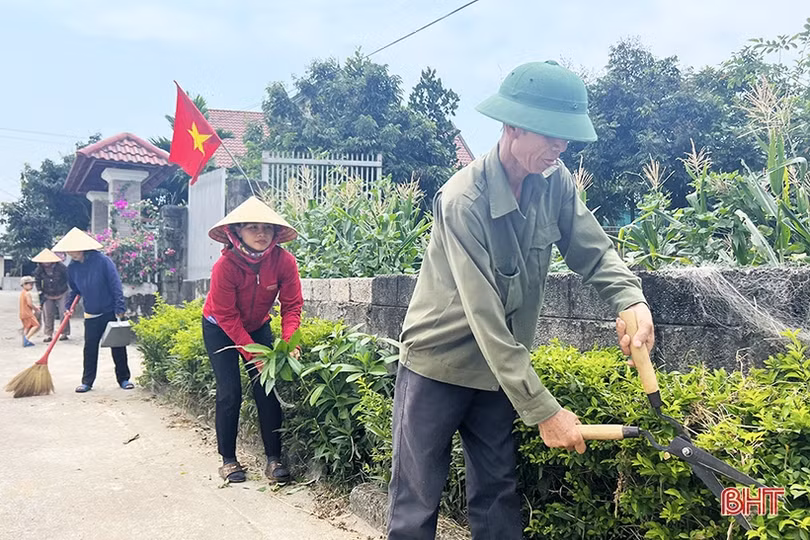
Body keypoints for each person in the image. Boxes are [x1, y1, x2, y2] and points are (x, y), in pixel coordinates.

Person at [386, 61, 656, 540]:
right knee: (416, 502)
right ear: (512, 126)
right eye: (551, 135)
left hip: (497, 374)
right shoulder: (461, 200)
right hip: (436, 367)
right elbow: (486, 319)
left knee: (497, 496)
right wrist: (545, 411)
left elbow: (592, 250)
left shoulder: (555, 182)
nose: (560, 147)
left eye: (567, 138)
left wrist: (631, 299)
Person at [202, 196, 303, 484]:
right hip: (220, 326)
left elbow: (292, 305)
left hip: (258, 325)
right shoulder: (225, 267)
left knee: (265, 389)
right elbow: (226, 315)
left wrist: (289, 342)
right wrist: (253, 355)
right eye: (252, 228)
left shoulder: (284, 261)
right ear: (236, 234)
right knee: (229, 391)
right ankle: (229, 460)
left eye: (267, 228)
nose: (261, 234)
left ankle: (274, 460)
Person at [52, 227, 133, 393]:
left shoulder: (103, 261)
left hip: (110, 310)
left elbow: (115, 284)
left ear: (82, 247)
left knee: (117, 346)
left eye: (72, 249)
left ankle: (124, 379)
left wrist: (120, 307)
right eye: (68, 250)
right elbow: (74, 290)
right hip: (91, 312)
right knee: (90, 347)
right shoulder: (72, 268)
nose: (70, 253)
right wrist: (68, 306)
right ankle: (87, 381)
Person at [32, 248, 71, 343]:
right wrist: (40, 291)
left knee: (63, 313)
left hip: (62, 292)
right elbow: (37, 281)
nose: (46, 263)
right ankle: (48, 334)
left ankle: (64, 333)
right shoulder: (39, 269)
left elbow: (68, 278)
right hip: (47, 294)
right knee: (48, 314)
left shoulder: (61, 267)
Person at [19, 276, 41, 347]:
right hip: (28, 313)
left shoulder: (22, 293)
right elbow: (29, 303)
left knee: (26, 327)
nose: (32, 286)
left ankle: (24, 340)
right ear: (24, 285)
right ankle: (27, 339)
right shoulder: (27, 293)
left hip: (22, 314)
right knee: (36, 325)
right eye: (30, 284)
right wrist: (35, 309)